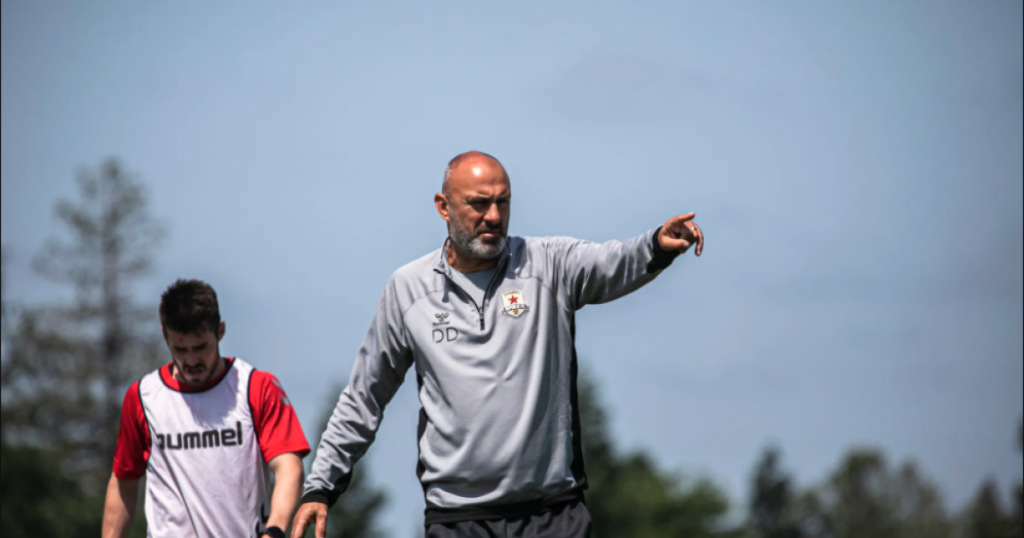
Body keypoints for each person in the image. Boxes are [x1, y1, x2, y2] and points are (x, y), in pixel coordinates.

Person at [292, 151, 704, 537]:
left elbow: (611, 261)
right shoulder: (408, 289)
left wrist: (655, 245)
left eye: (503, 203)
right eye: (478, 203)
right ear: (443, 206)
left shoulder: (549, 264)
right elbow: (364, 398)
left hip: (552, 514)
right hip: (458, 520)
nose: (493, 216)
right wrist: (320, 487)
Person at [102, 279, 311, 538]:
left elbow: (289, 467)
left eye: (201, 347)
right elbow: (124, 482)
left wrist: (276, 530)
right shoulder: (143, 397)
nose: (191, 361)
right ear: (164, 336)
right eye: (180, 349)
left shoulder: (256, 387)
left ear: (220, 331)